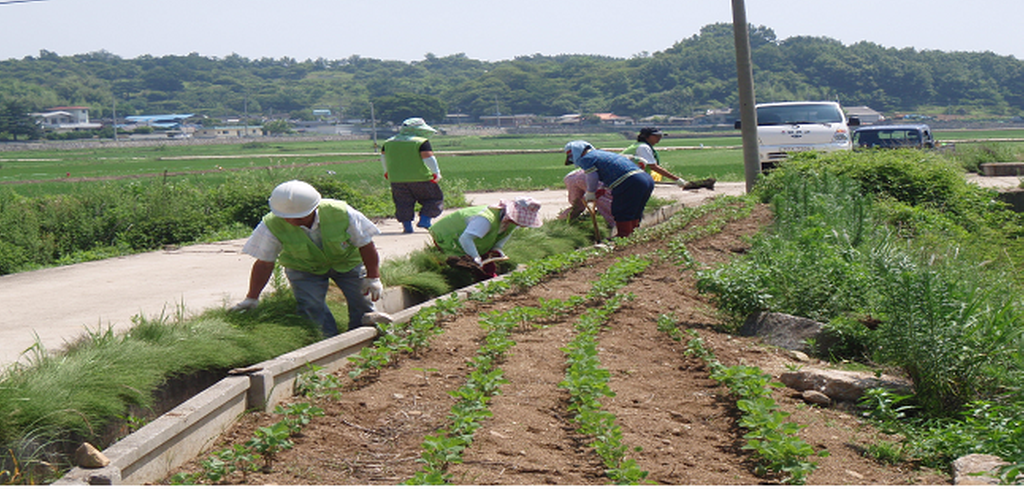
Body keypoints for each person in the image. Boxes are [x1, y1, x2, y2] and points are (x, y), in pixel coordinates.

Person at [232, 180, 392, 338]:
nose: (293, 222)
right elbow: (265, 263)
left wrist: (373, 277)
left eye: (300, 217)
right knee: (311, 307)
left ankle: (365, 336)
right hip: (304, 268)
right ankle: (326, 340)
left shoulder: (341, 212)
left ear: (314, 208)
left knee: (362, 301)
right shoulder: (272, 224)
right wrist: (252, 297)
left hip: (347, 263)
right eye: (287, 218)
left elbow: (366, 244)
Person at [429, 197, 542, 280]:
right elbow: (466, 239)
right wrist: (475, 257)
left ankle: (490, 280)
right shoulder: (485, 219)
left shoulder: (511, 223)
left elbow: (500, 238)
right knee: (463, 266)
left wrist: (497, 250)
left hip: (467, 238)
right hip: (449, 236)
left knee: (487, 267)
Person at [564, 140, 654, 238]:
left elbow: (592, 176)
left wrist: (590, 192)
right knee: (634, 209)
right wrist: (603, 188)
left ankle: (623, 235)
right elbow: (612, 171)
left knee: (621, 209)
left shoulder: (586, 158)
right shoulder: (600, 154)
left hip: (630, 181)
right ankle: (633, 234)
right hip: (645, 179)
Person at [381, 117, 444, 234]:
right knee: (433, 199)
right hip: (421, 177)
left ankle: (407, 226)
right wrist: (436, 172)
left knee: (402, 202)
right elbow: (429, 158)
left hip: (397, 178)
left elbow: (384, 158)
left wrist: (387, 171)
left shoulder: (388, 142)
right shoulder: (420, 142)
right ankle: (425, 219)